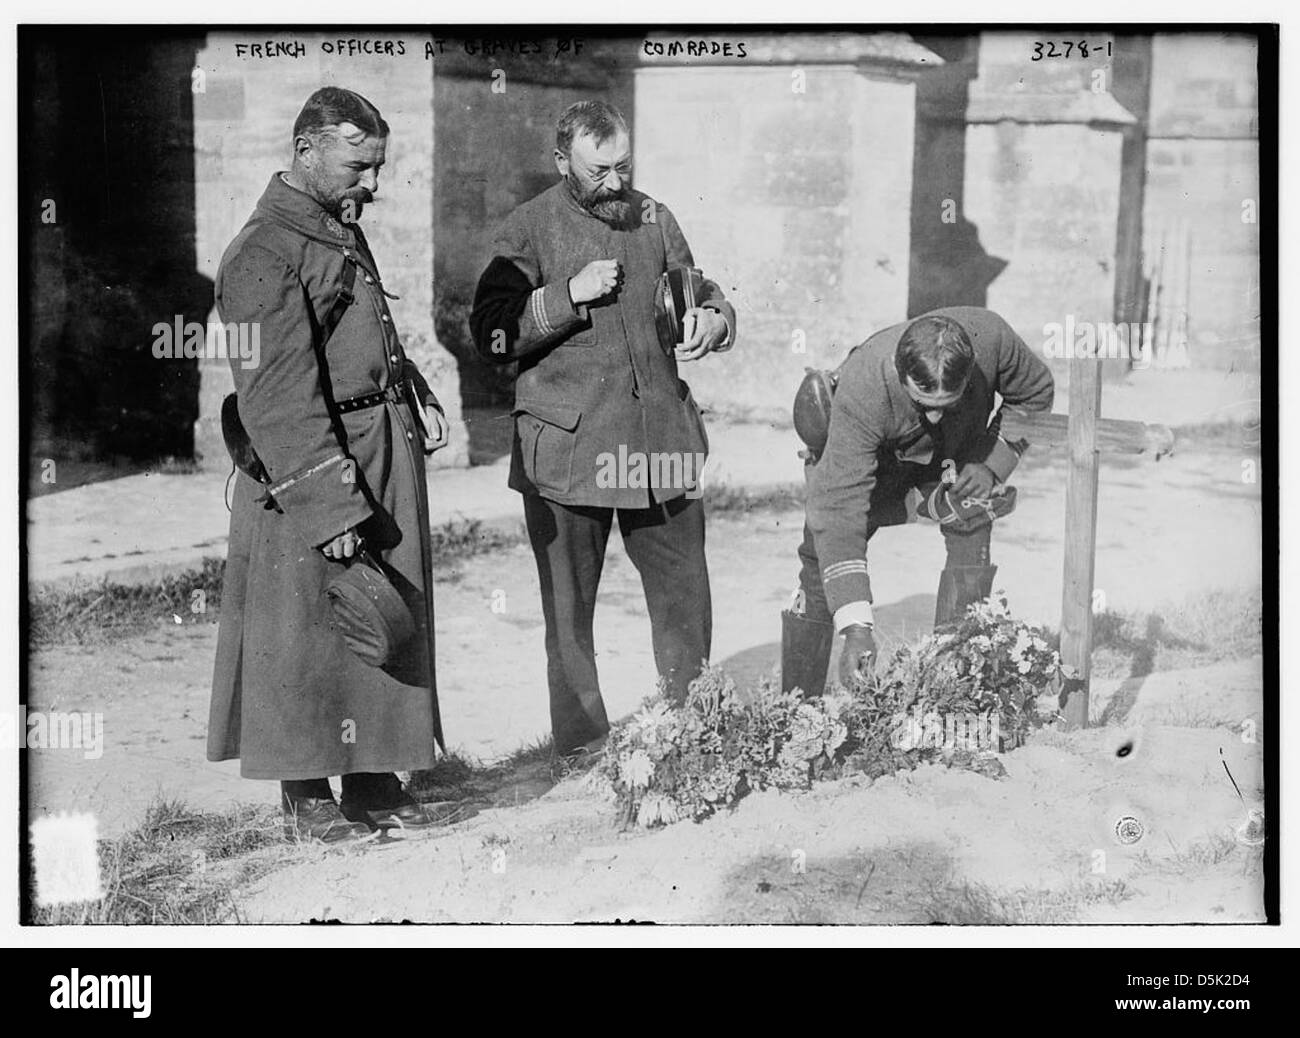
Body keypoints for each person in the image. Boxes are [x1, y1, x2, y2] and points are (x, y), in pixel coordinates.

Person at [208, 87, 458, 844]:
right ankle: (307, 795)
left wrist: (408, 385)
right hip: (309, 466)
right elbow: (277, 392)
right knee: (307, 631)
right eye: (359, 166)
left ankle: (375, 776)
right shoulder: (262, 250)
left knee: (381, 615)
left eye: (378, 168)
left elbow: (354, 332)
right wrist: (328, 502)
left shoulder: (331, 224)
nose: (372, 185)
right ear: (306, 149)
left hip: (378, 448)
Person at [469, 100, 736, 757]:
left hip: (659, 442)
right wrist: (567, 295)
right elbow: (492, 335)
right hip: (570, 451)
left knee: (684, 597)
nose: (616, 184)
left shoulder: (654, 216)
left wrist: (713, 319)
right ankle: (582, 747)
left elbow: (702, 292)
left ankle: (688, 728)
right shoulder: (526, 228)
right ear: (562, 162)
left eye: (624, 166)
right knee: (568, 612)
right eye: (598, 171)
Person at [783, 306, 1055, 697]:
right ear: (900, 372)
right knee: (820, 557)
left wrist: (992, 464)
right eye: (923, 402)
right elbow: (839, 511)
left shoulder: (993, 338)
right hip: (875, 463)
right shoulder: (865, 385)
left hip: (955, 457)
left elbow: (1034, 394)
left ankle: (955, 690)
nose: (933, 414)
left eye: (947, 403)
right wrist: (856, 627)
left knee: (972, 520)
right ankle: (797, 708)